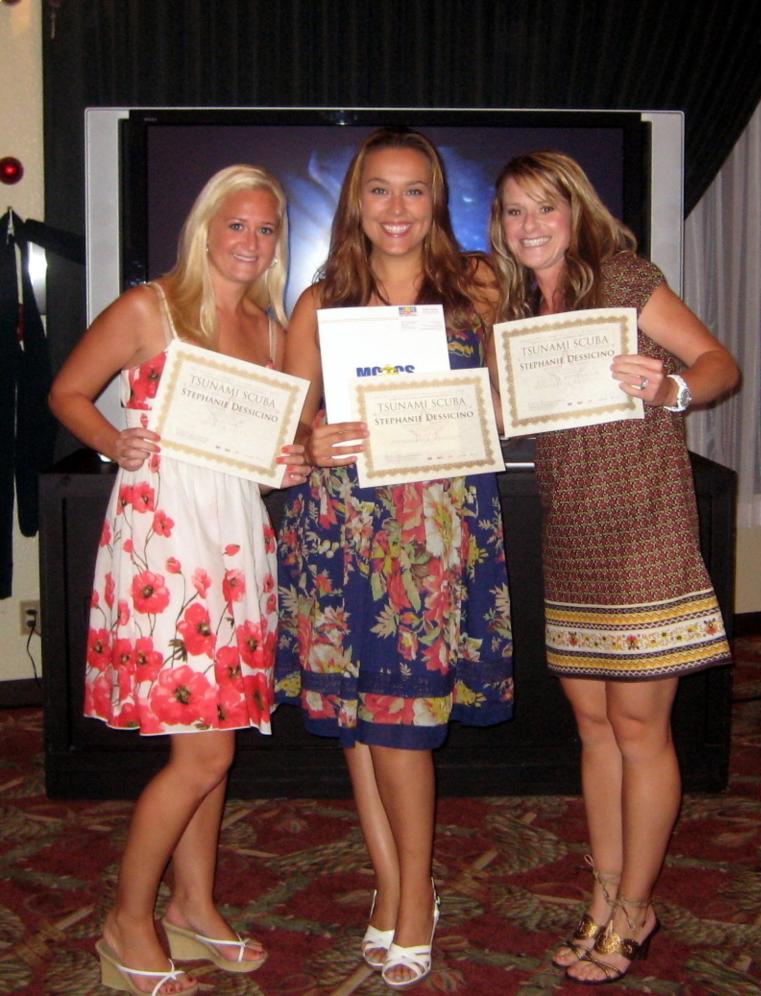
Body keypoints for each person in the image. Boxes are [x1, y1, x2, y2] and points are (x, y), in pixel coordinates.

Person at [49, 164, 309, 995]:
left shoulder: (268, 330)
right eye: (237, 224)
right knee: (201, 754)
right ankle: (129, 921)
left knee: (215, 745)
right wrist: (110, 439)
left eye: (266, 229)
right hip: (164, 545)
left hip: (235, 542)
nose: (251, 242)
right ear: (204, 227)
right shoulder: (147, 308)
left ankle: (193, 907)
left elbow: (264, 455)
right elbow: (68, 391)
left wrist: (290, 463)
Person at [489, 150, 739, 985]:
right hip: (573, 534)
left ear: (575, 212)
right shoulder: (520, 309)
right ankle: (603, 892)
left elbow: (719, 366)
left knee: (640, 730)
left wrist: (671, 388)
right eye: (515, 211)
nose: (531, 226)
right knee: (593, 730)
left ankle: (636, 906)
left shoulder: (625, 280)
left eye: (545, 209)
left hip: (643, 532)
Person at [277, 128, 513, 989]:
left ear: (436, 201)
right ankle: (392, 886)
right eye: (380, 190)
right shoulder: (318, 301)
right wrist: (315, 435)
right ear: (356, 202)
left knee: (404, 727)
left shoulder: (478, 284)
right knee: (360, 723)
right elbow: (292, 420)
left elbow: (518, 389)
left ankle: (416, 896)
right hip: (342, 532)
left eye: (415, 191)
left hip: (435, 537)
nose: (398, 209)